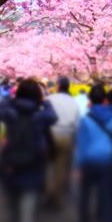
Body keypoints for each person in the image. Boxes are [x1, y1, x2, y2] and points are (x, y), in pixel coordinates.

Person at [0, 79, 58, 222]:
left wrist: (14, 98)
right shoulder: (40, 116)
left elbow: (1, 108)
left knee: (13, 207)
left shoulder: (11, 113)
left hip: (11, 163)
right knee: (28, 214)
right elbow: (53, 116)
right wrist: (44, 101)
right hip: (34, 163)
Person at [75, 84, 112, 222]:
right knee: (106, 194)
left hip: (88, 161)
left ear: (89, 100)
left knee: (85, 196)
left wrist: (78, 166)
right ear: (105, 100)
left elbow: (81, 144)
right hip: (108, 160)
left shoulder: (86, 119)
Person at [45, 76, 81, 209]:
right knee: (62, 167)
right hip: (68, 135)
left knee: (49, 164)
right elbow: (77, 123)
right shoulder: (73, 102)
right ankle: (57, 197)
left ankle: (49, 191)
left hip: (51, 133)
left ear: (58, 86)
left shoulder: (50, 99)